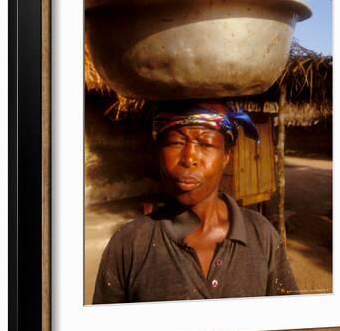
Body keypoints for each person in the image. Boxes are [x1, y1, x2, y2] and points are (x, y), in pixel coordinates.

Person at [92, 100, 299, 303]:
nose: (189, 158)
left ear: (226, 155)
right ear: (159, 152)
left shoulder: (261, 234)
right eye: (176, 142)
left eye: (206, 144)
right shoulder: (129, 244)